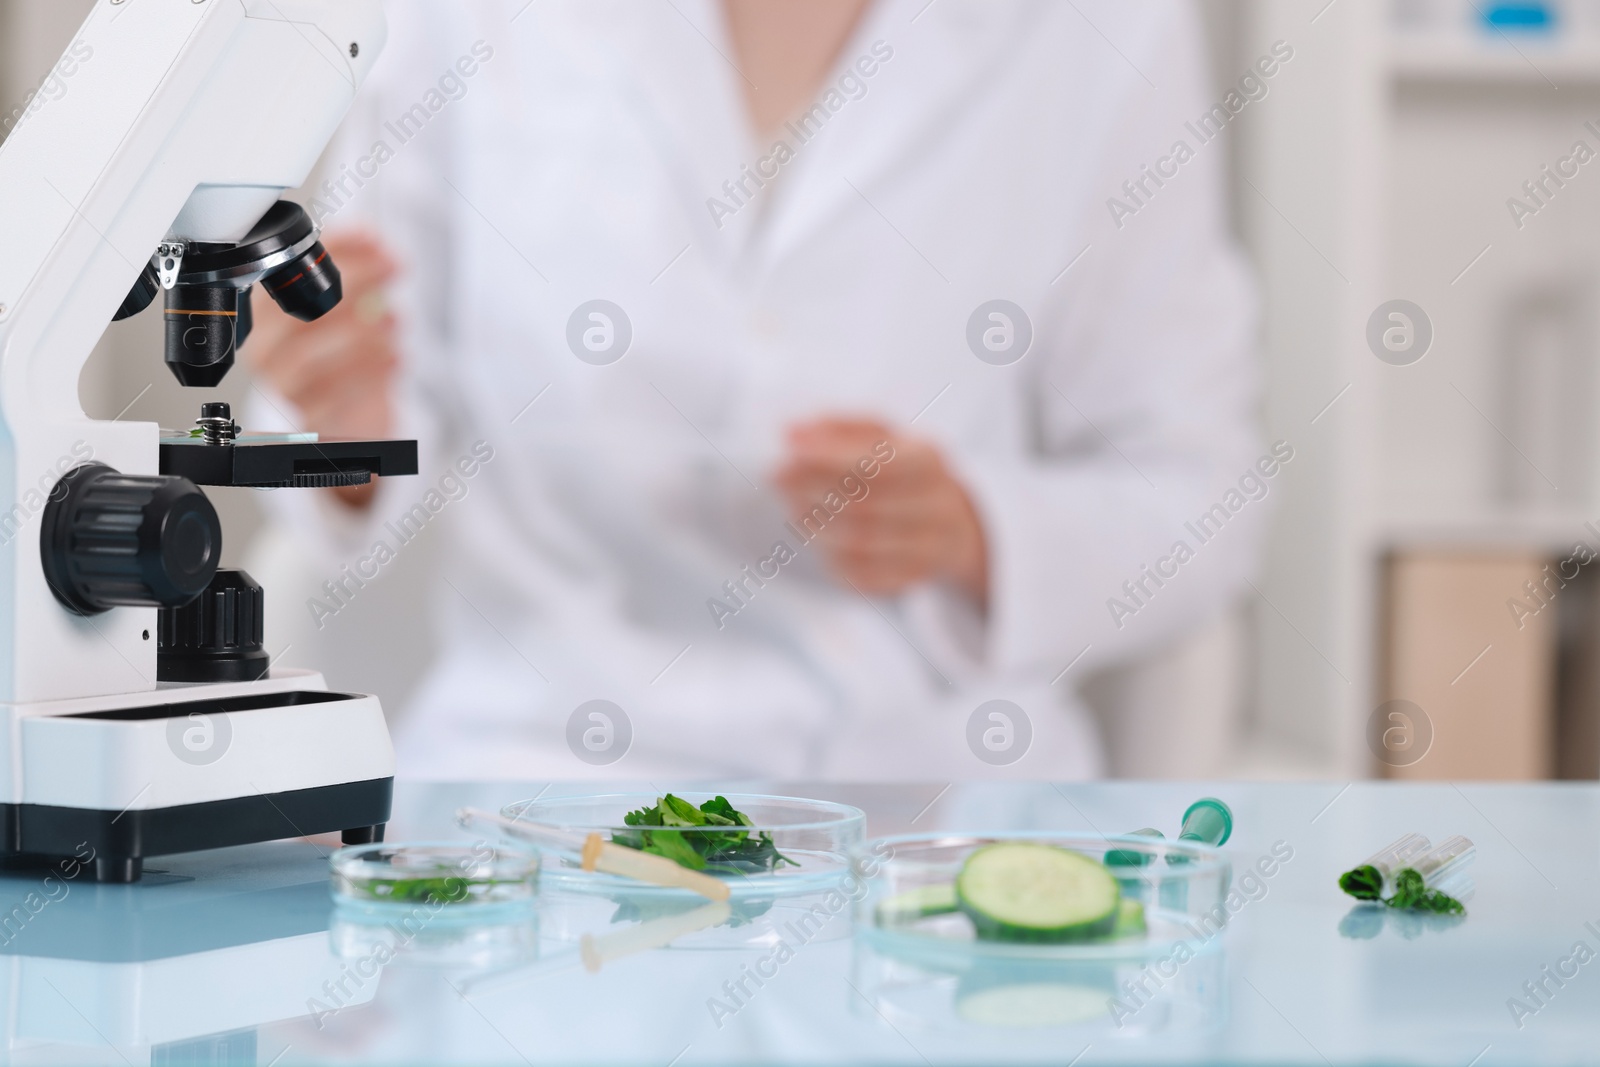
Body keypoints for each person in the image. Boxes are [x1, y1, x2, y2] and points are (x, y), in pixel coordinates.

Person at [245, 0, 1262, 780]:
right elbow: (334, 431)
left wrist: (971, 530)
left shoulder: (1096, 29)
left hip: (930, 800)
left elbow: (1198, 492)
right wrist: (344, 423)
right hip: (541, 781)